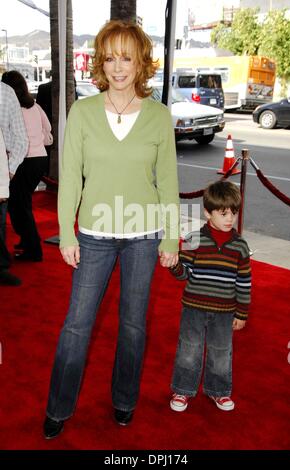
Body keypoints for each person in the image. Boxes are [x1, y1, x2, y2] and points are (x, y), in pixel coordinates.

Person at [43, 19, 180, 439]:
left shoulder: (158, 116)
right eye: (110, 57)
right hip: (95, 235)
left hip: (144, 234)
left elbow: (169, 182)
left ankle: (124, 401)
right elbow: (71, 179)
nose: (118, 67)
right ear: (100, 64)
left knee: (134, 325)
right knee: (76, 325)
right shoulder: (82, 111)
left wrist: (171, 236)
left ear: (141, 63)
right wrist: (67, 232)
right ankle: (59, 407)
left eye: (127, 57)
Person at [169, 181, 251, 413]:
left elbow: (244, 282)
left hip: (225, 311)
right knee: (189, 348)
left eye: (233, 213)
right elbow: (184, 273)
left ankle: (219, 391)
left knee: (221, 351)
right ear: (207, 212)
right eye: (223, 213)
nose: (229, 219)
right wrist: (174, 265)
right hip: (194, 307)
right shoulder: (194, 239)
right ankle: (183, 389)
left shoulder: (241, 246)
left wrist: (242, 312)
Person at [2, 71, 52, 262]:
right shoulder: (35, 107)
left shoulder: (13, 109)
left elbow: (9, 138)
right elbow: (48, 130)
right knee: (23, 204)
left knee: (19, 207)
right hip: (40, 159)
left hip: (24, 160)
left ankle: (33, 249)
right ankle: (27, 241)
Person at [0, 81, 28, 285]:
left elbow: (21, 137)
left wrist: (8, 171)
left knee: (0, 223)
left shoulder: (6, 92)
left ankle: (0, 267)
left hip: (2, 164)